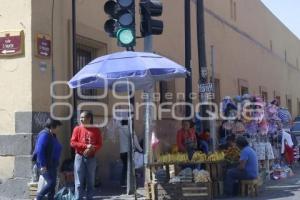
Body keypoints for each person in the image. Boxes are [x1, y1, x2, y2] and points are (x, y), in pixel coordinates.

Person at [70, 111, 103, 200]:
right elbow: (72, 143)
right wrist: (86, 146)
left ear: (89, 118)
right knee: (79, 183)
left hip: (91, 158)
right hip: (79, 157)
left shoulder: (96, 130)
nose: (81, 119)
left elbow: (99, 144)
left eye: (83, 117)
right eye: (80, 117)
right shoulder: (77, 129)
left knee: (90, 182)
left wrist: (92, 148)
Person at [35, 117, 62, 200]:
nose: (59, 129)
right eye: (58, 127)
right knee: (51, 183)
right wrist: (43, 165)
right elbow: (40, 150)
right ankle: (38, 198)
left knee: (53, 186)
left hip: (52, 164)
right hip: (45, 164)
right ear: (52, 126)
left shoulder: (52, 135)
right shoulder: (44, 135)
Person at [118, 119, 143, 188]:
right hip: (129, 152)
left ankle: (123, 182)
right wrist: (141, 150)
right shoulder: (130, 130)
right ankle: (132, 184)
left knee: (125, 167)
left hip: (122, 152)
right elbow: (135, 142)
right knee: (132, 168)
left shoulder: (120, 130)